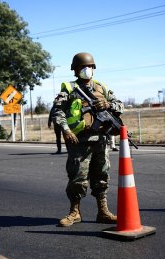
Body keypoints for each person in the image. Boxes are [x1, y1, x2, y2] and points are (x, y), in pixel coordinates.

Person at [52, 52, 124, 227]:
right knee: (78, 178)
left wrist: (108, 105)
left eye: (90, 67)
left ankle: (103, 212)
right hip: (79, 141)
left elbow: (120, 105)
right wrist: (67, 130)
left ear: (94, 69)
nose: (87, 70)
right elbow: (57, 111)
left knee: (102, 176)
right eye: (83, 67)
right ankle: (74, 212)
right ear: (75, 70)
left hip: (100, 140)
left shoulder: (102, 88)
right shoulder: (69, 89)